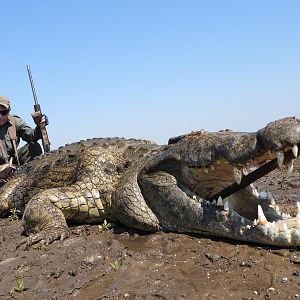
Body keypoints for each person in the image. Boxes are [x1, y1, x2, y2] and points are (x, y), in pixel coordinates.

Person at [0, 96, 48, 178]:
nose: (0, 116)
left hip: (12, 164)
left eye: (4, 112)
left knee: (34, 147)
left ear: (9, 111)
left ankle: (31, 176)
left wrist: (40, 126)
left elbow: (31, 136)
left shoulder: (15, 121)